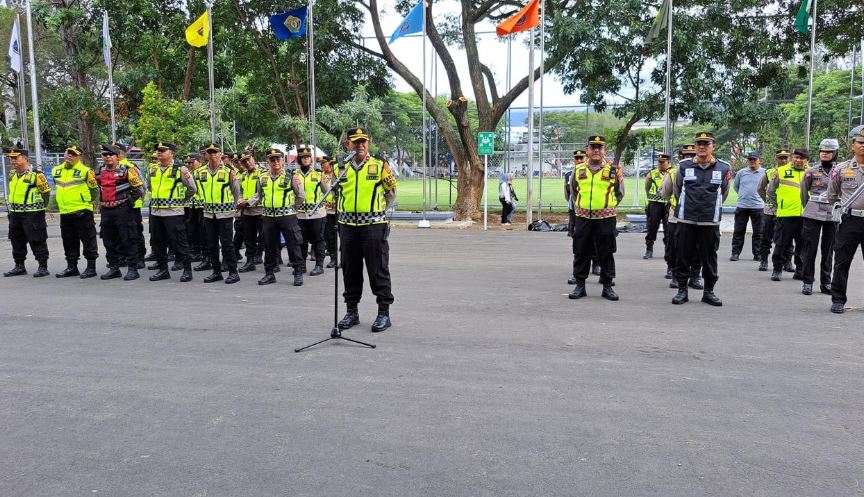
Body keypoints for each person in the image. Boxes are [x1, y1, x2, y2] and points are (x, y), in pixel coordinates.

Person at [336, 127, 398, 332]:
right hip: (347, 228)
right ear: (348, 145)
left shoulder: (380, 166)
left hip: (373, 227)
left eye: (364, 141)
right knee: (350, 270)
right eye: (356, 142)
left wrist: (376, 212)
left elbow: (391, 194)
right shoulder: (341, 168)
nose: (360, 145)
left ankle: (383, 313)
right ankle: (351, 311)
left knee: (377, 269)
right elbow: (335, 195)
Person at [671, 131, 731, 306]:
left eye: (706, 143)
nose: (702, 147)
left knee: (709, 257)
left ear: (714, 146)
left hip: (709, 221)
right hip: (686, 219)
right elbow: (677, 190)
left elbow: (724, 192)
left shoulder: (723, 168)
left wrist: (711, 206)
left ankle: (709, 291)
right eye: (699, 143)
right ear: (695, 146)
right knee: (682, 256)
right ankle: (682, 290)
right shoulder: (683, 166)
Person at [567, 135, 625, 301]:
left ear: (604, 150)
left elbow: (620, 193)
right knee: (581, 251)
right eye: (593, 147)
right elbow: (574, 191)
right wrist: (581, 206)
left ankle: (607, 286)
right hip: (583, 217)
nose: (596, 151)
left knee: (606, 252)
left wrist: (607, 206)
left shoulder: (613, 170)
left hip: (606, 218)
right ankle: (580, 285)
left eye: (600, 147)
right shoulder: (578, 170)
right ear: (587, 150)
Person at [254, 147, 305, 286]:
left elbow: (301, 196)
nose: (275, 161)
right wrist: (246, 202)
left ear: (282, 160)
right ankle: (269, 273)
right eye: (272, 159)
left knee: (293, 244)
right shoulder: (262, 177)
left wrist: (292, 207)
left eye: (277, 159)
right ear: (268, 162)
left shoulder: (291, 176)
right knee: (269, 245)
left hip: (287, 216)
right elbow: (258, 196)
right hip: (268, 216)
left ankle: (298, 272)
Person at [826, 128, 864, 314]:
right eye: (861, 143)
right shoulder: (841, 169)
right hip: (849, 220)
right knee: (842, 261)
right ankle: (838, 299)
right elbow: (832, 195)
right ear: (853, 145)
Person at [147, 142, 196, 282]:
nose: (159, 152)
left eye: (163, 150)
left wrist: (180, 200)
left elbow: (192, 189)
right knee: (158, 242)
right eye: (158, 150)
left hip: (173, 212)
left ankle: (187, 270)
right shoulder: (153, 169)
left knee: (179, 242)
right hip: (156, 212)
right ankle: (163, 270)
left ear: (172, 153)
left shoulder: (180, 169)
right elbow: (150, 187)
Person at [95, 143, 145, 280]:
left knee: (129, 239)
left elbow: (140, 189)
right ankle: (114, 268)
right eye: (104, 155)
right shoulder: (99, 171)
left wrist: (129, 201)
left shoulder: (128, 170)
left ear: (118, 157)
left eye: (111, 155)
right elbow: (97, 188)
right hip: (106, 210)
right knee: (109, 240)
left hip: (123, 209)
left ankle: (133, 269)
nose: (108, 157)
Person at [197, 143, 243, 284]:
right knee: (211, 244)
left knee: (227, 244)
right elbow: (199, 190)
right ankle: (216, 272)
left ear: (220, 154)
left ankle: (233, 272)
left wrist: (235, 208)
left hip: (225, 214)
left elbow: (236, 191)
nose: (212, 155)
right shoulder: (201, 172)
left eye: (215, 152)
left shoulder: (229, 172)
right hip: (208, 213)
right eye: (209, 152)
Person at [53, 145, 100, 279]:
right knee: (68, 240)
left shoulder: (85, 171)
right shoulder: (56, 170)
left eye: (73, 155)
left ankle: (91, 267)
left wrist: (87, 204)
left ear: (79, 157)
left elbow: (94, 190)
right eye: (68, 153)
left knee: (88, 240)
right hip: (65, 212)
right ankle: (72, 267)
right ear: (64, 154)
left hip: (82, 212)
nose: (70, 156)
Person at [799, 139, 839, 295]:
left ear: (835, 154)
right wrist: (808, 208)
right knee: (810, 248)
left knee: (828, 250)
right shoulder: (810, 171)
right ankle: (807, 281)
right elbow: (804, 194)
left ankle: (826, 282)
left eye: (829, 152)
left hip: (832, 214)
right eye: (823, 151)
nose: (825, 154)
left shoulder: (839, 171)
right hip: (812, 212)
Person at [3, 148, 50, 278]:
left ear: (25, 158)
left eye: (16, 158)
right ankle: (19, 266)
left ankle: (42, 266)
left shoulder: (37, 175)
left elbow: (45, 193)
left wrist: (41, 208)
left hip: (33, 213)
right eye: (11, 158)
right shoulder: (12, 174)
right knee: (16, 239)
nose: (12, 161)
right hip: (15, 212)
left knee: (37, 239)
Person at [767, 148, 808, 282]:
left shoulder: (811, 172)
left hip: (806, 215)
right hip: (786, 214)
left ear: (806, 159)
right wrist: (781, 204)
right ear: (792, 157)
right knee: (781, 244)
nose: (798, 160)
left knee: (803, 245)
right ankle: (777, 269)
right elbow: (771, 191)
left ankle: (800, 270)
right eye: (796, 157)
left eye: (801, 158)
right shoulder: (781, 170)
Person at [295, 145, 331, 276]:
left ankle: (319, 265)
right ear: (299, 160)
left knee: (318, 240)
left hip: (317, 214)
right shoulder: (294, 175)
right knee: (301, 241)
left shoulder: (319, 174)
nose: (306, 159)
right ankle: (302, 265)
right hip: (300, 215)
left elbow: (327, 192)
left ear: (311, 159)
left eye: (308, 157)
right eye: (303, 158)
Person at [758, 149, 796, 272]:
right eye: (781, 158)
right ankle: (763, 261)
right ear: (776, 159)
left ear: (789, 158)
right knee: (766, 236)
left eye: (786, 158)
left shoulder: (794, 172)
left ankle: (788, 262)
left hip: (787, 211)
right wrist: (769, 201)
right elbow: (760, 188)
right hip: (771, 211)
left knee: (788, 238)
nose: (784, 160)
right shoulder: (770, 172)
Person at [115, 142, 146, 269]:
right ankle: (122, 257)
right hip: (117, 206)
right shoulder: (110, 167)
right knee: (119, 233)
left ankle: (139, 258)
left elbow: (142, 186)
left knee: (135, 232)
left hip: (132, 205)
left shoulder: (130, 166)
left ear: (121, 153)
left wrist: (132, 199)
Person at [730, 151, 765, 261]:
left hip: (758, 207)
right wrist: (744, 195)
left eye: (754, 159)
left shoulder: (765, 172)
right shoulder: (741, 172)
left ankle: (757, 254)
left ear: (760, 160)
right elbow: (736, 187)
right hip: (742, 206)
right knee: (738, 231)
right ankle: (735, 253)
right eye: (750, 159)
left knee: (758, 232)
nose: (752, 162)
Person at [236, 153, 264, 273]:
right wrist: (240, 200)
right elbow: (239, 191)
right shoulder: (243, 176)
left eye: (248, 160)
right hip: (247, 212)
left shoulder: (262, 174)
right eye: (244, 161)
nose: (247, 163)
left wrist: (248, 202)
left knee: (266, 238)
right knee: (249, 238)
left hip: (261, 210)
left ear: (254, 159)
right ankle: (250, 261)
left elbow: (260, 193)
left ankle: (273, 262)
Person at [643, 152, 672, 259]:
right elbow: (647, 186)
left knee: (668, 229)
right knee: (651, 226)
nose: (660, 164)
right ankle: (649, 249)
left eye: (663, 162)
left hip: (668, 204)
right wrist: (649, 198)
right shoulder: (652, 173)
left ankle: (668, 251)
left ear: (669, 162)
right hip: (654, 203)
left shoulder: (673, 173)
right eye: (659, 162)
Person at [183, 152, 206, 265]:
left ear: (199, 161)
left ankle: (200, 253)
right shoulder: (190, 173)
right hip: (192, 205)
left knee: (202, 231)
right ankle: (195, 251)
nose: (189, 164)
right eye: (188, 163)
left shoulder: (202, 172)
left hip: (202, 206)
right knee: (192, 230)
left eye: (192, 162)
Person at [321, 158, 339, 268]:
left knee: (344, 236)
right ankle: (333, 258)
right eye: (330, 164)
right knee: (330, 236)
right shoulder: (321, 175)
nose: (331, 166)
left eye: (333, 164)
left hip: (340, 210)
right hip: (327, 211)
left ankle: (345, 258)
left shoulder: (340, 175)